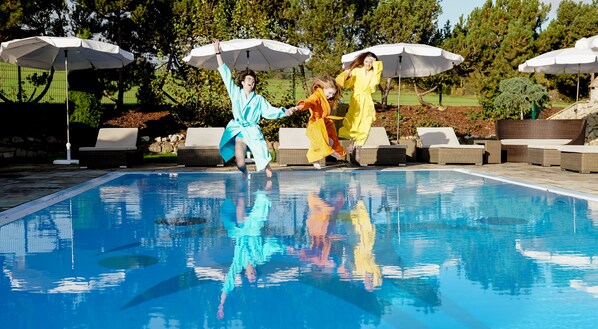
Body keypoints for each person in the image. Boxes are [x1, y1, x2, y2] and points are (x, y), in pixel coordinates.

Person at [213, 38, 297, 178]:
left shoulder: (258, 99)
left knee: (265, 163)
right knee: (240, 162)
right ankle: (244, 173)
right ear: (242, 81)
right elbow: (225, 75)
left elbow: (270, 110)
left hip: (252, 130)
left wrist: (285, 112)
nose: (252, 81)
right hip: (239, 129)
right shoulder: (235, 93)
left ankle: (269, 188)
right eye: (249, 79)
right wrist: (218, 54)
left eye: (253, 80)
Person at [287, 76, 345, 169]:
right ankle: (315, 159)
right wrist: (296, 108)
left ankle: (333, 150)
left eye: (333, 94)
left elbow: (340, 81)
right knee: (319, 141)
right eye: (329, 93)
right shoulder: (317, 95)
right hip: (316, 123)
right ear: (323, 87)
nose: (331, 96)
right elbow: (309, 102)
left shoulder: (328, 96)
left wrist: (347, 71)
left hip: (326, 122)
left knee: (332, 139)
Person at [335, 52, 383, 162]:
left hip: (367, 101)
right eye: (366, 61)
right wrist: (347, 75)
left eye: (371, 62)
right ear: (363, 61)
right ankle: (352, 144)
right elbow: (348, 84)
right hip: (356, 100)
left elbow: (375, 82)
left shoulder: (374, 73)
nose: (368, 64)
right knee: (354, 122)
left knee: (366, 124)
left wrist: (376, 66)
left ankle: (359, 148)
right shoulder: (356, 71)